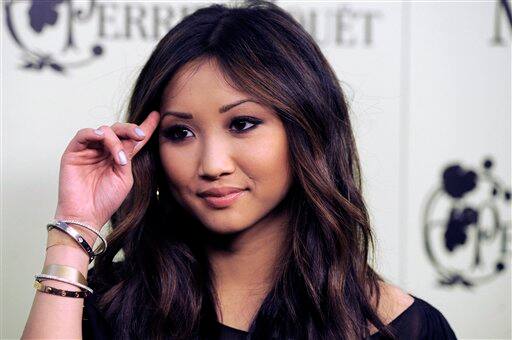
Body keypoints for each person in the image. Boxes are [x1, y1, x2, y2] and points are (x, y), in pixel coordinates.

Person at [22, 1, 458, 339]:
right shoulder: (103, 306)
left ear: (306, 130)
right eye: (180, 133)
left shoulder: (404, 327)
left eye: (243, 124)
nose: (212, 165)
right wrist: (73, 230)